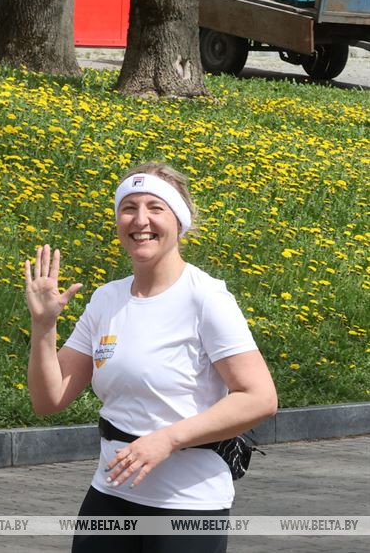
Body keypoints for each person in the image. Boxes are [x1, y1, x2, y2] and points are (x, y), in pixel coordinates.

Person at [23, 162, 278, 552]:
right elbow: (48, 400)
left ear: (179, 221)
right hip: (109, 497)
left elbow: (260, 398)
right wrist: (43, 328)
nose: (140, 220)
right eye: (129, 207)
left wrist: (167, 440)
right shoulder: (106, 299)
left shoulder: (206, 299)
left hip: (187, 506)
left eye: (155, 208)